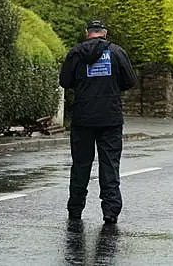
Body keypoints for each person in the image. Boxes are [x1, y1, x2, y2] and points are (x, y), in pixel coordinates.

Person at [59, 19, 137, 224]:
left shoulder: (75, 53)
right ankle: (110, 212)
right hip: (110, 118)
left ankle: (75, 209)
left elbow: (64, 82)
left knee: (81, 165)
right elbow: (129, 81)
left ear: (87, 33)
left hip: (83, 118)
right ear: (105, 32)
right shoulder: (117, 52)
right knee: (109, 164)